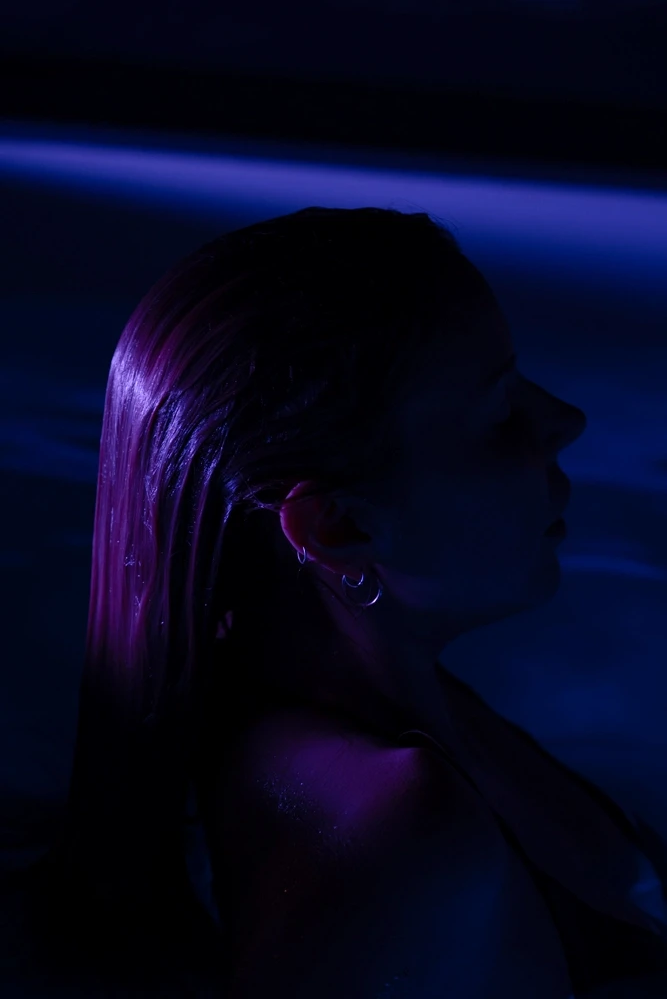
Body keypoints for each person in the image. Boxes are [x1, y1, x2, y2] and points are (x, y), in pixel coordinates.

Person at [12, 206, 666, 998]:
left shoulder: (398, 703)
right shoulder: (399, 836)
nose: (565, 420)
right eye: (498, 415)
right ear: (338, 525)